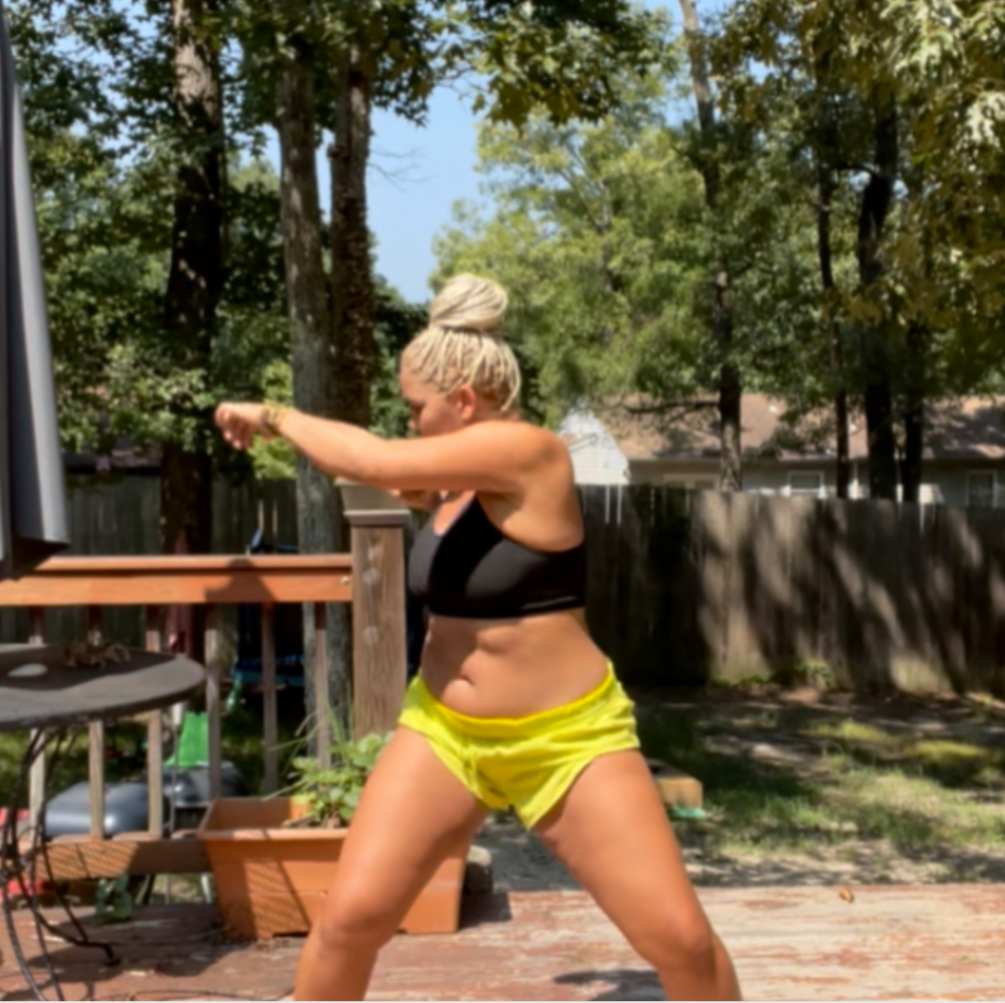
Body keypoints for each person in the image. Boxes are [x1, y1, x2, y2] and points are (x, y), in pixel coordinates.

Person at [215, 274, 742, 1002]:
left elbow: (372, 460)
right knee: (348, 920)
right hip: (444, 732)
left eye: (417, 409)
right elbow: (400, 482)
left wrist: (273, 414)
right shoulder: (456, 484)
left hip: (564, 739)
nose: (412, 423)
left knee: (680, 942)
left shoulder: (531, 452)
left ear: (463, 400)